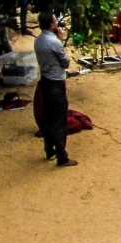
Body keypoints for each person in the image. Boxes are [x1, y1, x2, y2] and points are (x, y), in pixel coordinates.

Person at [34, 13, 75, 167]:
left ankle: (49, 149)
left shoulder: (38, 41)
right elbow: (65, 62)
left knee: (48, 118)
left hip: (45, 80)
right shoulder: (54, 42)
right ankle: (61, 156)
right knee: (59, 119)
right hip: (56, 83)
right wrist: (61, 40)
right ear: (52, 25)